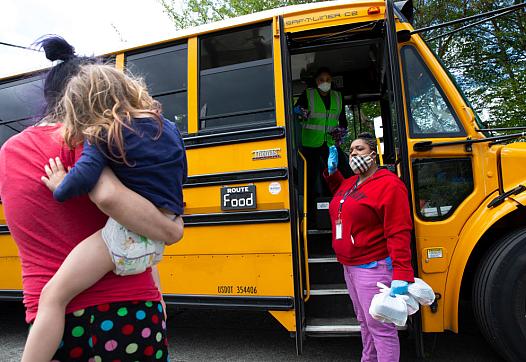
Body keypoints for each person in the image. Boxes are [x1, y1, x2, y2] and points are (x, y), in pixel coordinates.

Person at [0, 36, 182, 361]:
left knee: (52, 296)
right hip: (137, 311)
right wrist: (172, 230)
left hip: (61, 324)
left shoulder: (11, 153)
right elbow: (131, 214)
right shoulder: (124, 136)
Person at [324, 132, 414, 362]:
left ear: (373, 154)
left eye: (359, 149)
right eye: (351, 150)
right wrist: (333, 174)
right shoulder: (351, 182)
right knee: (364, 322)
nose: (353, 153)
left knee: (381, 328)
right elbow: (343, 199)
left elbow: (398, 230)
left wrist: (402, 272)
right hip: (350, 267)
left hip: (372, 268)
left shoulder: (389, 185)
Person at [294, 67, 351, 226]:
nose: (325, 83)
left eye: (328, 80)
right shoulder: (309, 94)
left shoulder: (338, 97)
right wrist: (300, 112)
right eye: (321, 80)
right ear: (316, 81)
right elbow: (296, 110)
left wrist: (341, 130)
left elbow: (343, 121)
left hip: (330, 143)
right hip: (310, 144)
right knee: (310, 179)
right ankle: (310, 216)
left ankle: (345, 208)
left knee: (343, 173)